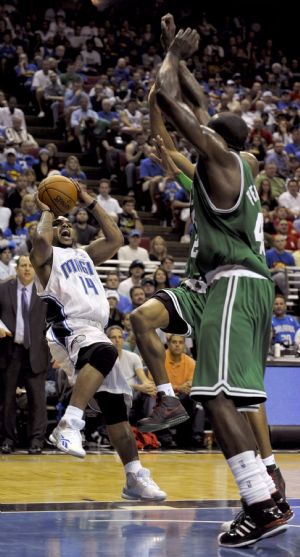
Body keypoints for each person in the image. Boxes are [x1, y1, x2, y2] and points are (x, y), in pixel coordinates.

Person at [131, 15, 290, 548]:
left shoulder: (221, 159)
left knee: (217, 396)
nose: (198, 137)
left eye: (205, 135)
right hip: (241, 287)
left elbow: (179, 113)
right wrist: (180, 62)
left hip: (233, 284)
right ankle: (269, 492)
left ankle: (261, 504)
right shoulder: (231, 166)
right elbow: (193, 112)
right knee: (231, 395)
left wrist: (170, 62)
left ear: (213, 142)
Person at [30, 183, 165, 501]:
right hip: (68, 328)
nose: (64, 227)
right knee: (106, 351)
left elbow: (116, 238)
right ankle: (68, 423)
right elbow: (39, 239)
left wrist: (88, 201)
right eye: (58, 225)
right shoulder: (46, 259)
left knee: (116, 409)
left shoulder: (86, 256)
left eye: (68, 223)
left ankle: (134, 476)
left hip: (95, 330)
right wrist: (49, 209)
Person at [0, 255, 48, 454]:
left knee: (38, 399)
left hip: (36, 351)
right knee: (7, 398)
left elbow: (55, 322)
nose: (27, 269)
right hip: (9, 350)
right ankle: (8, 439)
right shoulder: (3, 288)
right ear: (16, 268)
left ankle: (36, 440)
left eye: (30, 265)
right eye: (23, 265)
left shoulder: (45, 292)